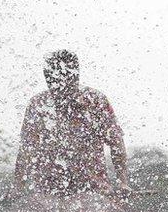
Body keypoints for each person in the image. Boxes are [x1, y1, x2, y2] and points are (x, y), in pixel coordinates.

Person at [12, 49, 129, 198]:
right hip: (47, 192)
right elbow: (26, 150)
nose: (59, 88)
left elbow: (116, 142)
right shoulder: (38, 105)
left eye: (65, 80)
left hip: (93, 191)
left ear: (75, 77)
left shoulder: (96, 101)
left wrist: (123, 182)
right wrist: (17, 187)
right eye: (52, 82)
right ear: (47, 79)